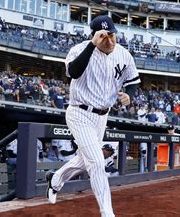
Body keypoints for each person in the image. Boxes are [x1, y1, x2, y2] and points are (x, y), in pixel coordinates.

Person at [46, 15, 140, 217]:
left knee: (85, 160)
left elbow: (133, 81)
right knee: (97, 162)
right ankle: (107, 213)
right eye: (104, 37)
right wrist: (92, 45)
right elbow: (73, 72)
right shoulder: (79, 50)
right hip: (79, 112)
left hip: (101, 117)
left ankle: (55, 179)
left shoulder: (123, 54)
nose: (110, 41)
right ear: (94, 36)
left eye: (112, 35)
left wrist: (129, 96)